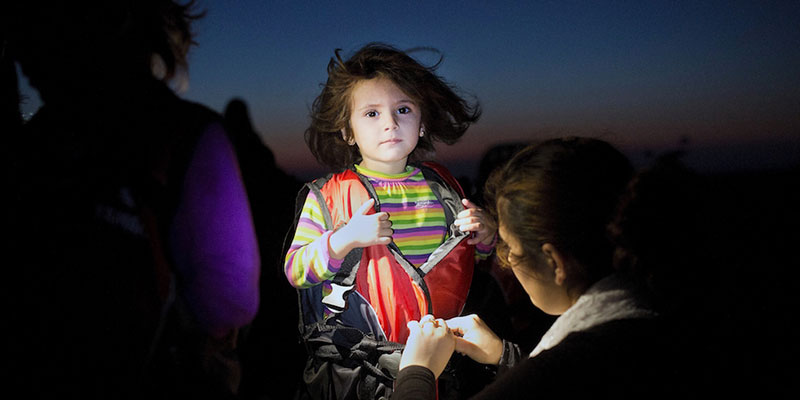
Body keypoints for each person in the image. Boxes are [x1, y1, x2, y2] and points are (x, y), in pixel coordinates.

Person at [5, 1, 259, 398]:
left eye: (33, 27)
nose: (22, 53)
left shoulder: (36, 144)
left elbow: (228, 301)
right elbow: (230, 301)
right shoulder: (191, 134)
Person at [283, 42, 496, 399]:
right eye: (371, 113)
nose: (390, 123)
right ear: (347, 131)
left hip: (442, 370)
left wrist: (486, 236)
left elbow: (470, 261)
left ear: (422, 123)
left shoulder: (444, 188)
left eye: (403, 109)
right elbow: (296, 271)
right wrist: (344, 239)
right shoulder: (328, 196)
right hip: (359, 376)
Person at [395, 137, 680, 398]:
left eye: (510, 248)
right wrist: (505, 356)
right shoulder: (660, 321)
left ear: (555, 262)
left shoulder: (565, 364)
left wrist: (417, 371)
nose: (505, 260)